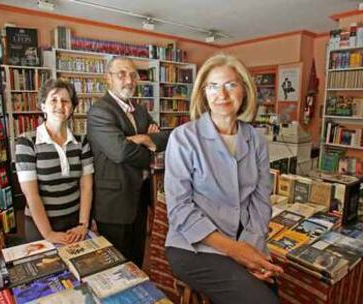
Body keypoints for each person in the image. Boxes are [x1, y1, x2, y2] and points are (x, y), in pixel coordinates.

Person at [164, 53, 284, 304]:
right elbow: (180, 210)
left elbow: (261, 202)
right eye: (213, 86)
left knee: (271, 291)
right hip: (194, 246)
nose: (222, 94)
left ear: (245, 90)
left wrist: (251, 249)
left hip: (245, 240)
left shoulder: (257, 140)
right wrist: (237, 252)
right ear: (203, 93)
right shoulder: (183, 137)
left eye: (231, 84)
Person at [87, 57, 169, 267]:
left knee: (137, 262)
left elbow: (163, 138)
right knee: (115, 267)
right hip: (114, 203)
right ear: (108, 78)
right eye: (121, 74)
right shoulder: (100, 111)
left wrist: (143, 139)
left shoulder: (140, 110)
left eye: (133, 75)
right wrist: (149, 147)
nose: (129, 80)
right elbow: (120, 152)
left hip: (140, 198)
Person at [15, 79, 94, 245]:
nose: (60, 105)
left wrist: (83, 224)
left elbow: (86, 186)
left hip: (75, 224)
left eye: (65, 101)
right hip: (41, 227)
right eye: (54, 100)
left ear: (72, 108)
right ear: (43, 106)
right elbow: (31, 194)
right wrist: (49, 233)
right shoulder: (26, 142)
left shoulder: (81, 141)